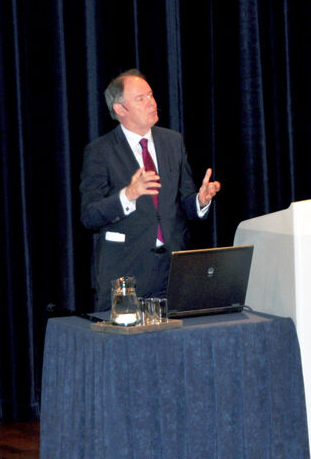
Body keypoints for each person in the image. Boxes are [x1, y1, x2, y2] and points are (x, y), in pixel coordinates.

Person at [80, 69, 220, 311]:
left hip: (173, 269)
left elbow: (184, 200)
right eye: (141, 99)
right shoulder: (100, 151)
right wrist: (128, 195)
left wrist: (200, 200)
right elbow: (90, 215)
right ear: (120, 110)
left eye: (151, 95)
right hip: (126, 273)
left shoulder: (173, 142)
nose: (151, 103)